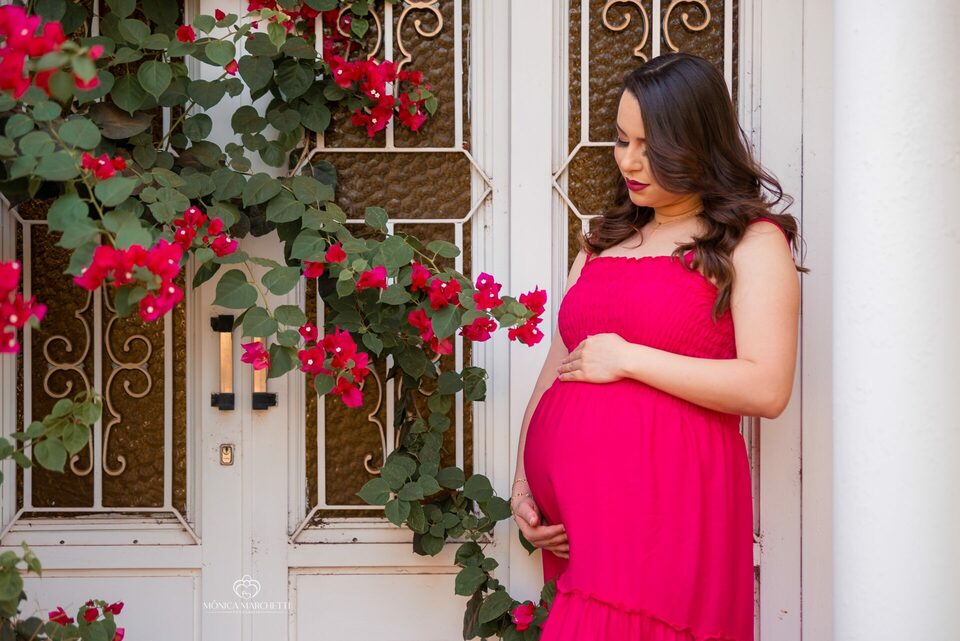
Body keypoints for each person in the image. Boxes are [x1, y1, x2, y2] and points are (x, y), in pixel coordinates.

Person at [512, 52, 805, 641]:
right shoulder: (604, 242)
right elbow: (558, 367)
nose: (629, 161)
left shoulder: (750, 243)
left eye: (652, 146)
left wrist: (629, 358)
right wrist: (524, 485)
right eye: (622, 140)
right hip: (582, 520)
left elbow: (767, 387)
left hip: (668, 514)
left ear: (699, 145)